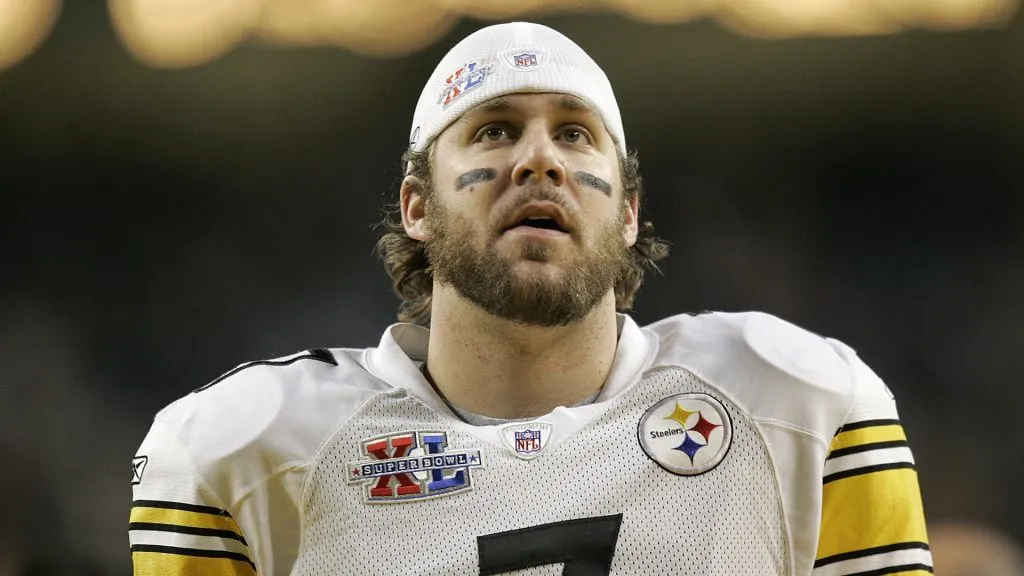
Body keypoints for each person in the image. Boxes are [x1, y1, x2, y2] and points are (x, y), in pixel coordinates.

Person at [128, 21, 931, 575]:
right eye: (494, 130)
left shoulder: (795, 405)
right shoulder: (245, 451)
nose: (538, 159)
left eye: (576, 134)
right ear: (417, 207)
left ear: (626, 214)